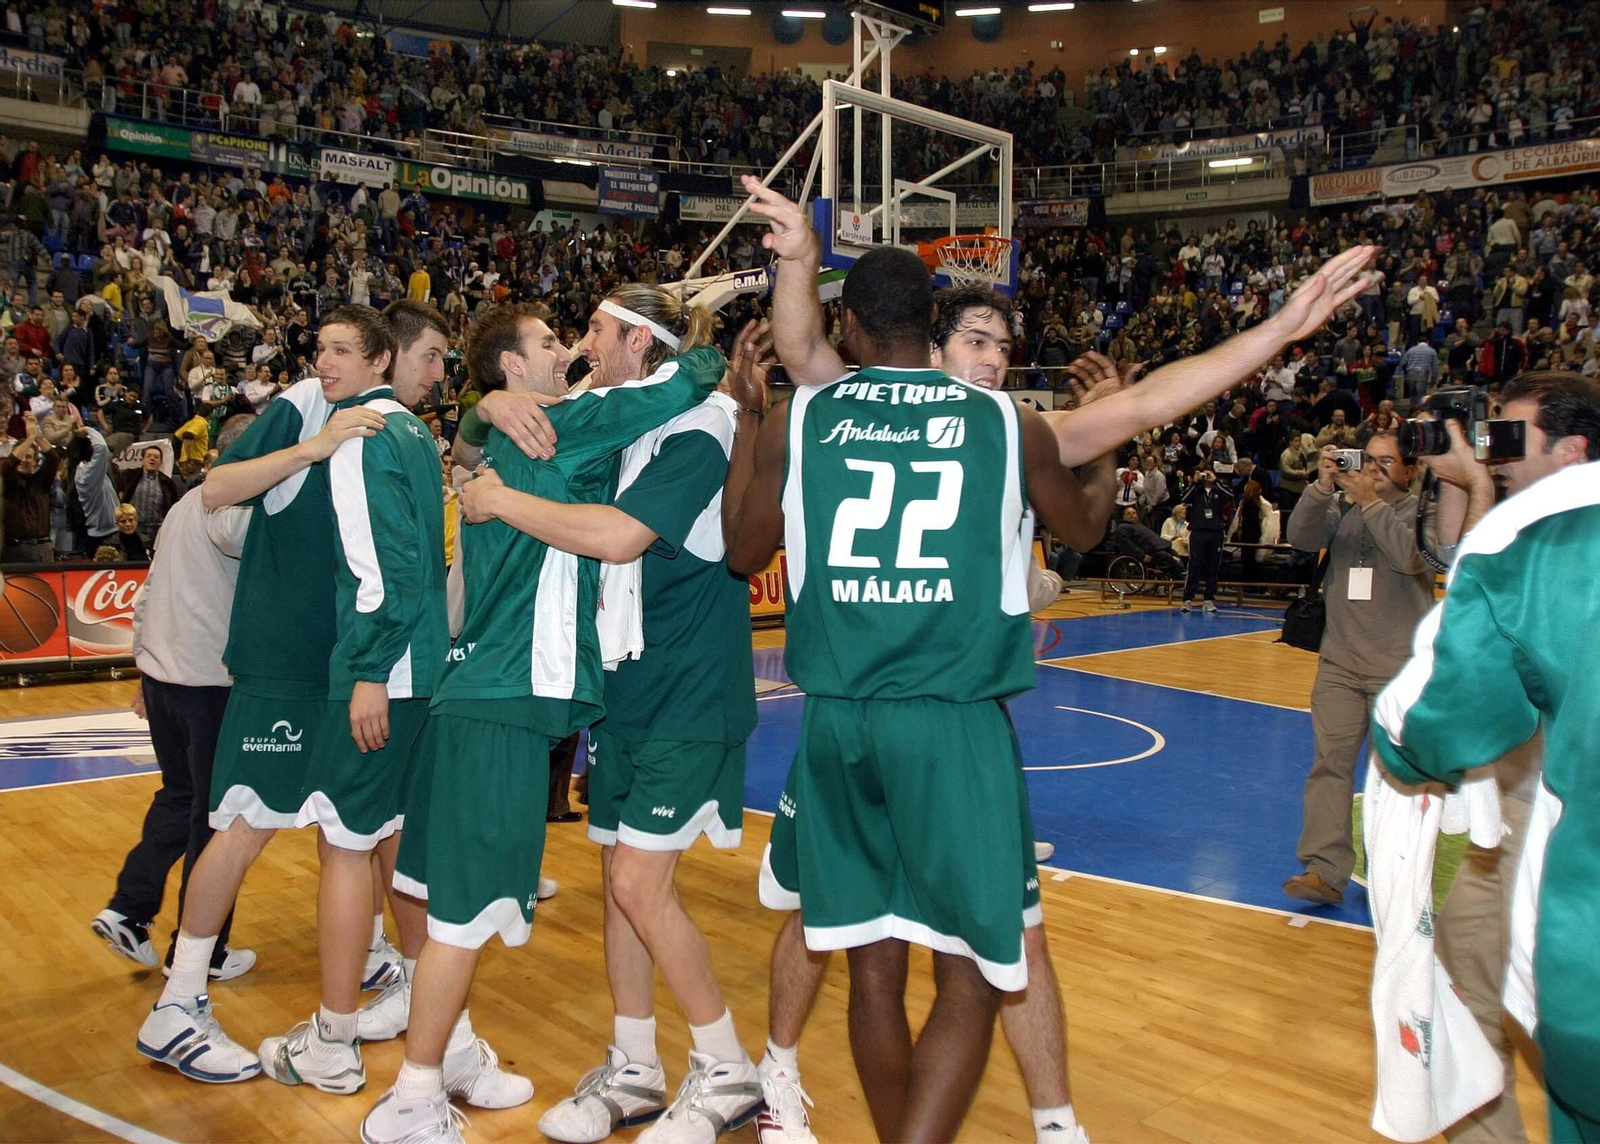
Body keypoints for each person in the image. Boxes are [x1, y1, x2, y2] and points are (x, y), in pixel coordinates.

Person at [721, 239, 1101, 1144]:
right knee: (973, 973)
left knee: (872, 971)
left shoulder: (802, 420)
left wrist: (747, 418)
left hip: (838, 727)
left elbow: (740, 554)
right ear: (933, 328)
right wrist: (1105, 443)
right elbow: (1084, 523)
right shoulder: (1007, 423)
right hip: (953, 723)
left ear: (846, 327)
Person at [357, 291, 725, 1144]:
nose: (570, 352)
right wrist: (705, 347)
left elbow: (469, 438)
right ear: (514, 369)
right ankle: (413, 1100)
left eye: (579, 335)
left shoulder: (504, 436)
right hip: (510, 693)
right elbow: (678, 386)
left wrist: (480, 412)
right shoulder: (570, 422)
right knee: (466, 915)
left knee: (427, 888)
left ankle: (445, 1057)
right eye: (553, 342)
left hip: (467, 688)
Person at [453, 302, 762, 1144]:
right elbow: (477, 437)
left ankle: (729, 1071)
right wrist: (482, 408)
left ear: (638, 341)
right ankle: (634, 1067)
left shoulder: (699, 427)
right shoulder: (621, 423)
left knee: (638, 884)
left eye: (593, 332)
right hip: (625, 690)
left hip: (689, 692)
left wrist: (498, 503)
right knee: (618, 891)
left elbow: (622, 537)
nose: (581, 347)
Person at [1369, 419, 1600, 1143]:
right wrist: (1466, 484)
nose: (1493, 452)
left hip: (1555, 853)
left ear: (1571, 451)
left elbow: (1430, 719)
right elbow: (1448, 560)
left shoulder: (1540, 542)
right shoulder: (1517, 533)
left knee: (1539, 1030)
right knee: (1471, 1006)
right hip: (1493, 821)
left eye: (1509, 437)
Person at [91, 417, 256, 977]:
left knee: (180, 798)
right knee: (214, 819)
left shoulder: (185, 505)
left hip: (164, 678)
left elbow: (149, 591)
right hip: (208, 686)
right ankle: (201, 951)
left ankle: (128, 910)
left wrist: (144, 666)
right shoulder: (234, 511)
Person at [1281, 433, 1433, 905]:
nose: (1375, 469)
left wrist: (1369, 502)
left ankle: (1401, 876)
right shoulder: (1343, 511)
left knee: (1400, 779)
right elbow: (1301, 538)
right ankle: (1324, 871)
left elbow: (1410, 558)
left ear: (1409, 471)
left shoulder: (1421, 516)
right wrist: (1322, 488)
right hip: (1340, 664)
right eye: (1370, 460)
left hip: (1400, 671)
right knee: (1330, 768)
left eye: (1388, 462)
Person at [1177, 468, 1233, 613]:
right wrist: (1195, 483)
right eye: (1204, 474)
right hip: (1198, 531)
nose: (1206, 477)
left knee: (1213, 566)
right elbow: (1184, 499)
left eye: (1208, 474)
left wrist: (1216, 481)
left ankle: (1209, 599)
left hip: (1216, 532)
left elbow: (1229, 497)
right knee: (1195, 564)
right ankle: (1187, 598)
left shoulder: (1219, 489)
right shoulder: (1196, 490)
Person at [1113, 506, 1185, 578]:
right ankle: (1177, 580)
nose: (1132, 515)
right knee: (1168, 558)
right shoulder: (1122, 528)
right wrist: (1142, 555)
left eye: (1134, 513)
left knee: (1175, 554)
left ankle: (1183, 574)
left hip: (1159, 546)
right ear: (1124, 517)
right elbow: (1128, 545)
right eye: (1128, 514)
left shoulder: (1139, 525)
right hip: (1149, 551)